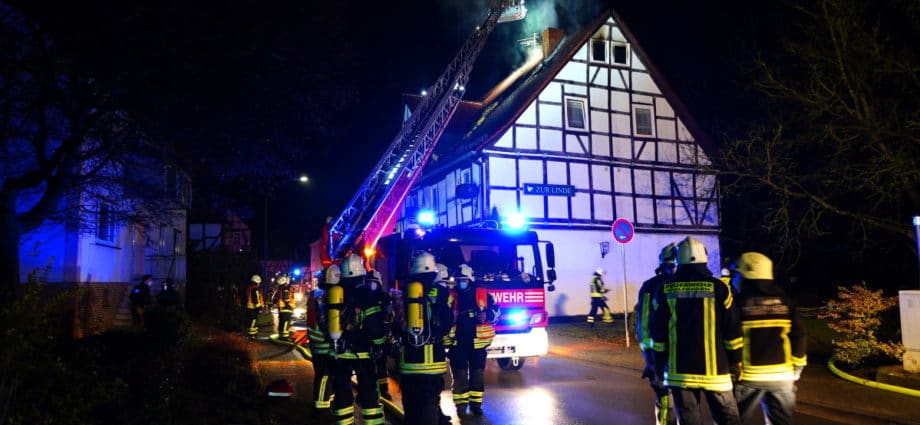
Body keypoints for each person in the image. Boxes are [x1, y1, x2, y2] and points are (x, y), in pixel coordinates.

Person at [649, 236, 743, 425]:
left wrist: (658, 364)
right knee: (729, 420)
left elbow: (657, 333)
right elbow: (732, 330)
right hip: (717, 373)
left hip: (679, 373)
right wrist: (736, 361)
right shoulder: (720, 288)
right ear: (704, 258)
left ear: (678, 261)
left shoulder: (664, 290)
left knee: (689, 420)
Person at [730, 252, 807, 425]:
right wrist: (797, 367)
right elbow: (800, 334)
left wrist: (733, 365)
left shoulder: (738, 303)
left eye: (737, 274)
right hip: (782, 376)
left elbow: (732, 337)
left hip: (749, 377)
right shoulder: (785, 301)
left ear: (746, 276)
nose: (734, 279)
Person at [328, 254, 386, 425]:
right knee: (369, 392)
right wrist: (379, 343)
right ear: (361, 273)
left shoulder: (336, 292)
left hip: (339, 351)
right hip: (363, 353)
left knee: (342, 391)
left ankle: (344, 422)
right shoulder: (366, 293)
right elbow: (374, 324)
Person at [398, 252, 454, 425]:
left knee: (411, 405)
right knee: (429, 403)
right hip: (432, 362)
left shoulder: (405, 292)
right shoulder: (442, 293)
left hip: (409, 361)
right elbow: (448, 322)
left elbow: (397, 323)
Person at [446, 264, 499, 417]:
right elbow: (442, 315)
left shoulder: (483, 294)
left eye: (464, 279)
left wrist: (487, 315)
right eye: (459, 280)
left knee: (477, 375)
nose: (461, 282)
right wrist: (451, 316)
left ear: (470, 279)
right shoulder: (451, 295)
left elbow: (496, 311)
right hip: (457, 343)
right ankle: (461, 407)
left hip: (477, 343)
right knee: (460, 375)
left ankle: (476, 405)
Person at [635, 243, 678, 425]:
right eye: (672, 265)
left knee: (680, 405)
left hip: (672, 357)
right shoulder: (651, 287)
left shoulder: (652, 286)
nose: (674, 269)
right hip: (662, 357)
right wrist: (651, 358)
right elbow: (644, 324)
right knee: (667, 401)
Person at [306, 265, 339, 416]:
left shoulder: (315, 294)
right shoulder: (325, 296)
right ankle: (320, 407)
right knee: (325, 374)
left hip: (316, 342)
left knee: (326, 374)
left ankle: (327, 401)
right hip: (324, 343)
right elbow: (326, 321)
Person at [367, 269, 395, 400]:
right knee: (368, 367)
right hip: (367, 338)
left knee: (382, 365)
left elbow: (390, 316)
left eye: (374, 282)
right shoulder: (362, 298)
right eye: (369, 282)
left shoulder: (384, 298)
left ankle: (384, 390)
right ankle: (369, 390)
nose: (371, 285)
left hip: (382, 337)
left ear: (379, 284)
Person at [274, 273, 295, 340]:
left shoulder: (280, 288)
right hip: (286, 308)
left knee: (282, 322)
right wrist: (289, 305)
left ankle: (281, 336)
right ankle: (284, 337)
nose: (288, 280)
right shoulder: (286, 288)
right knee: (286, 323)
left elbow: (274, 299)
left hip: (282, 309)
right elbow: (286, 299)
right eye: (288, 278)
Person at [245, 274, 265, 340]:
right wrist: (260, 307)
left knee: (250, 321)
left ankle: (252, 335)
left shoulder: (249, 288)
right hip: (253, 308)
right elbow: (256, 299)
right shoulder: (255, 289)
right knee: (253, 321)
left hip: (249, 307)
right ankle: (251, 336)